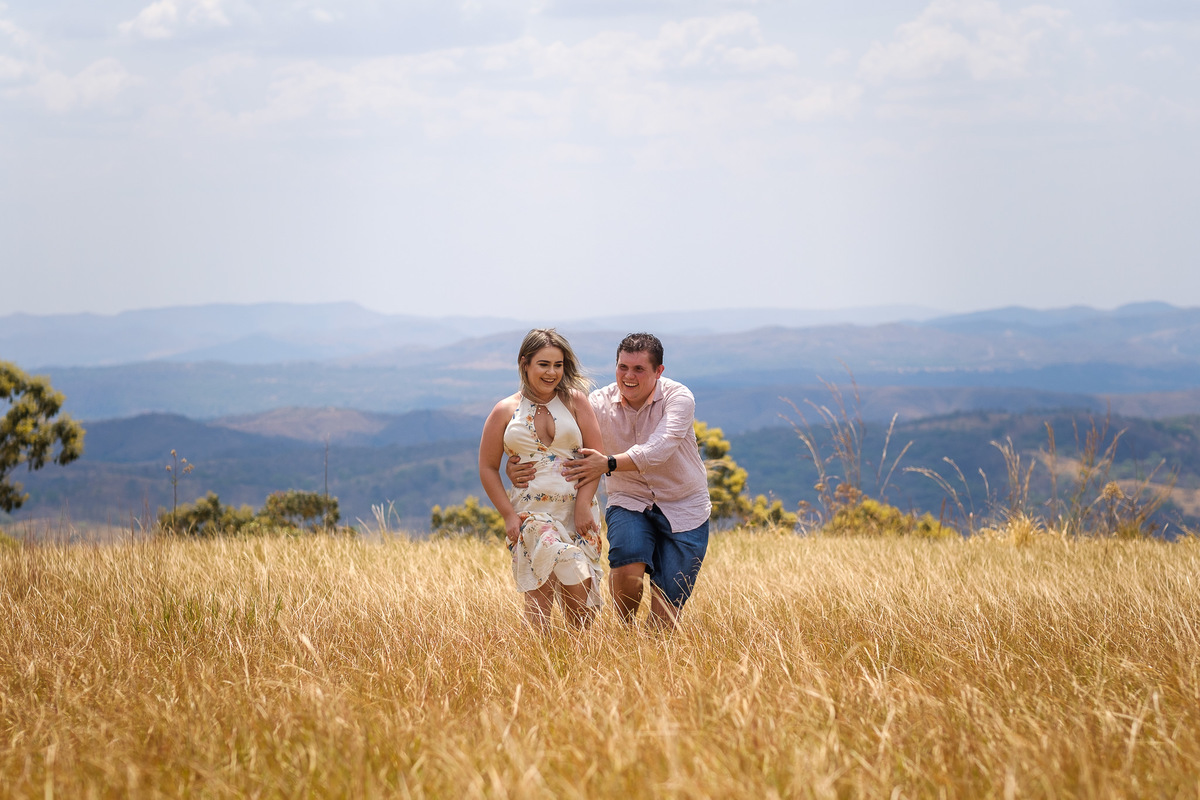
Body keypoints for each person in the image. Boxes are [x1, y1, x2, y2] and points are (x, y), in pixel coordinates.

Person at [510, 332, 711, 629]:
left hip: (685, 506)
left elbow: (662, 447)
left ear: (659, 372)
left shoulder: (679, 398)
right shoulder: (597, 404)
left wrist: (609, 463)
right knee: (627, 568)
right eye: (622, 367)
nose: (628, 376)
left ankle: (652, 644)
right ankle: (625, 633)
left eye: (639, 369)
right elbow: (563, 448)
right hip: (629, 500)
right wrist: (515, 468)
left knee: (663, 622)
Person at [479, 328, 605, 629]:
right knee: (542, 593)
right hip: (531, 514)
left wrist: (584, 504)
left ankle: (569, 665)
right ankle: (530, 668)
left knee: (582, 605)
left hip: (577, 510)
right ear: (525, 364)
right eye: (543, 364)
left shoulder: (575, 401)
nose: (552, 373)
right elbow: (487, 467)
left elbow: (595, 459)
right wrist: (508, 516)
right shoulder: (505, 410)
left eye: (558, 365)